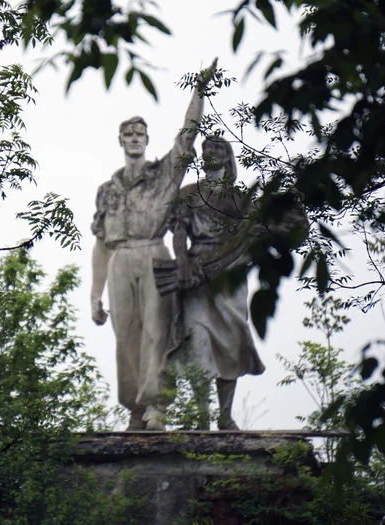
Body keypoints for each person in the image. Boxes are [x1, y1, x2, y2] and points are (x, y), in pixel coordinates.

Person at [90, 59, 218, 431]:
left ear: (146, 140)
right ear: (120, 140)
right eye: (128, 134)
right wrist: (94, 295)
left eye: (139, 134)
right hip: (120, 259)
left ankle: (156, 407)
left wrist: (199, 90)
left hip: (154, 255)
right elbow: (101, 245)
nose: (134, 138)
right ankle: (133, 409)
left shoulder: (164, 173)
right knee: (125, 337)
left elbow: (188, 134)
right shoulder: (108, 189)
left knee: (157, 332)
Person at [165, 136, 265, 430]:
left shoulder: (240, 198)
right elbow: (179, 232)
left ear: (228, 156)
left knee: (232, 339)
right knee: (198, 341)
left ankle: (225, 415)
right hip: (196, 271)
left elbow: (256, 232)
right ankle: (202, 415)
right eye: (207, 148)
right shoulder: (188, 193)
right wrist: (182, 262)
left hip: (230, 274)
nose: (211, 152)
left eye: (218, 148)